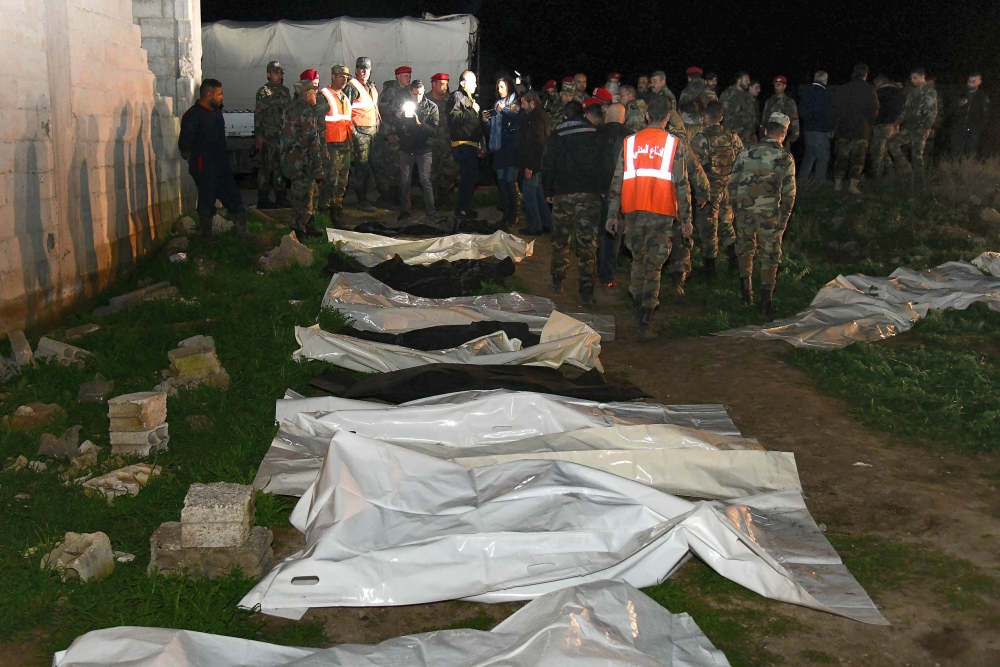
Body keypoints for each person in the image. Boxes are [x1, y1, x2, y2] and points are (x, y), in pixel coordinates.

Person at [605, 96, 693, 342]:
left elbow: (617, 181)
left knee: (638, 260)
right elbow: (682, 185)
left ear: (646, 116)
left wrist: (612, 214)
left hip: (633, 211)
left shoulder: (630, 142)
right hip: (662, 212)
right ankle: (645, 319)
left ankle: (638, 306)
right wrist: (686, 219)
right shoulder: (675, 144)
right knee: (653, 266)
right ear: (667, 119)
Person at [730, 112, 796, 315]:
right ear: (783, 134)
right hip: (770, 214)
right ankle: (766, 303)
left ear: (766, 131)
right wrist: (783, 220)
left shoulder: (746, 152)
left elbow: (732, 184)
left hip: (745, 211)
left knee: (745, 250)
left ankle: (745, 294)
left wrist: (736, 209)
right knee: (770, 255)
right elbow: (789, 193)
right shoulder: (785, 158)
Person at [542, 101, 604, 306]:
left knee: (561, 241)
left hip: (564, 194)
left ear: (566, 116)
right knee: (588, 245)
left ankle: (557, 282)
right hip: (590, 196)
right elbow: (603, 163)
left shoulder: (558, 133)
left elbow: (548, 163)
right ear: (584, 114)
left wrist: (548, 190)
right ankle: (587, 292)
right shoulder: (595, 133)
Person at [178, 79, 251, 239]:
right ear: (209, 95)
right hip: (204, 168)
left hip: (222, 167)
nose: (222, 97)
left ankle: (242, 233)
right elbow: (184, 145)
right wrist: (196, 162)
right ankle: (207, 236)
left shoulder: (216, 113)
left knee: (234, 198)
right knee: (206, 201)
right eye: (219, 94)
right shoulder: (193, 116)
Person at [691, 101, 744, 276]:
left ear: (706, 117)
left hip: (709, 190)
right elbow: (741, 159)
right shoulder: (732, 137)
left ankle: (710, 269)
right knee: (727, 223)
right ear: (721, 118)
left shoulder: (700, 138)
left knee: (708, 229)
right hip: (728, 188)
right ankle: (734, 261)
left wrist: (698, 191)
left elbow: (692, 166)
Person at [279, 74, 325, 238]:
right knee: (304, 198)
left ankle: (308, 226)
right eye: (314, 91)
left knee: (302, 194)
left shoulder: (291, 108)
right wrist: (318, 166)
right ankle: (298, 232)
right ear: (307, 94)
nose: (317, 94)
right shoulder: (305, 111)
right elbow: (311, 142)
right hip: (302, 162)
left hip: (290, 160)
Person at [829, 63, 879, 195]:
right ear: (865, 75)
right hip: (861, 130)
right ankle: (852, 186)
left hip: (843, 129)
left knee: (841, 158)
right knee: (858, 159)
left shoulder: (843, 89)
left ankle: (838, 185)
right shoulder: (870, 89)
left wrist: (832, 127)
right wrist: (871, 124)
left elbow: (834, 110)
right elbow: (874, 109)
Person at [596, 102, 630, 287]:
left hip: (597, 191)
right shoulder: (631, 136)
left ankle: (592, 268)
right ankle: (607, 275)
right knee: (613, 234)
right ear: (623, 118)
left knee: (597, 232)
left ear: (607, 116)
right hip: (620, 192)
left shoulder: (596, 133)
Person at [315, 64, 353, 226]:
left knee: (342, 182)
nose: (344, 80)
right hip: (331, 147)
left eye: (346, 77)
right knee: (330, 181)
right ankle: (324, 213)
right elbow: (318, 125)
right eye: (340, 76)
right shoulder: (324, 96)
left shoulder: (344, 96)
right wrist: (322, 149)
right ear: (333, 76)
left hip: (345, 145)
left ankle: (337, 210)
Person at [482, 74, 522, 228]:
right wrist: (486, 120)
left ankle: (514, 215)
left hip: (511, 149)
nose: (499, 90)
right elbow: (491, 128)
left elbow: (518, 118)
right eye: (498, 87)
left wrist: (503, 110)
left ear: (509, 87)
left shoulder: (514, 104)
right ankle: (506, 215)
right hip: (499, 150)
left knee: (511, 183)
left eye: (502, 87)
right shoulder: (497, 105)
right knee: (502, 184)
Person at [396, 80, 439, 220]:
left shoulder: (432, 107)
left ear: (424, 91)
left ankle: (431, 212)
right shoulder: (404, 107)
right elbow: (398, 130)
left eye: (420, 94)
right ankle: (405, 211)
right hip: (406, 149)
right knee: (405, 181)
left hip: (424, 150)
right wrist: (400, 119)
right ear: (410, 92)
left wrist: (419, 124)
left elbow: (434, 131)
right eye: (414, 94)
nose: (417, 97)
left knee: (425, 180)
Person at [887, 67, 938, 184]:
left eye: (915, 78)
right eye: (911, 78)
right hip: (909, 126)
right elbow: (906, 109)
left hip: (920, 128)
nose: (912, 80)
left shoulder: (929, 91)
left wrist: (926, 127)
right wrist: (898, 121)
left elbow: (932, 111)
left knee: (917, 155)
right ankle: (906, 168)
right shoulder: (912, 91)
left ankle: (919, 183)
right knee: (892, 143)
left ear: (922, 77)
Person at [344, 56, 381, 211]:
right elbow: (346, 113)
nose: (364, 71)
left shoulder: (371, 86)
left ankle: (381, 197)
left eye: (366, 68)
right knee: (362, 169)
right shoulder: (352, 87)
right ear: (356, 70)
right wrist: (354, 135)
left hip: (373, 133)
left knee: (377, 166)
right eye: (361, 68)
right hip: (360, 134)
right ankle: (362, 201)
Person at [373, 65, 413, 207]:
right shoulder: (390, 91)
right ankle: (388, 197)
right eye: (405, 75)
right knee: (392, 166)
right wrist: (390, 131)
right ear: (398, 77)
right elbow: (382, 109)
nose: (408, 77)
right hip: (392, 133)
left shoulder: (408, 91)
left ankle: (400, 196)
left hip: (404, 133)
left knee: (402, 165)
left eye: (409, 75)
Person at [253, 61, 291, 209]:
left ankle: (281, 197)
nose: (279, 75)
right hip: (268, 135)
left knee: (280, 167)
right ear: (269, 74)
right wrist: (258, 135)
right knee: (266, 167)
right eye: (276, 73)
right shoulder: (263, 92)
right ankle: (263, 199)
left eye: (280, 73)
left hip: (282, 135)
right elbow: (258, 114)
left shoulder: (285, 91)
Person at [515, 90, 552, 235]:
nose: (522, 106)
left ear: (532, 103)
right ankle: (547, 223)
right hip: (536, 164)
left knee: (529, 195)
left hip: (532, 164)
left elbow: (536, 143)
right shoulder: (539, 116)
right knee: (538, 194)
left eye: (524, 102)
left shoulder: (535, 118)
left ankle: (535, 226)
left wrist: (530, 166)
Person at [449, 70, 483, 219]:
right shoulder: (458, 96)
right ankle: (462, 209)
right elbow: (454, 117)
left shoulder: (468, 98)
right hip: (463, 144)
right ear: (463, 83)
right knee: (468, 177)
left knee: (470, 177)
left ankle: (464, 207)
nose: (476, 85)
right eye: (473, 81)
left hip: (470, 143)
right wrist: (472, 110)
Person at [428, 73, 460, 206]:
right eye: (442, 84)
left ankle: (445, 194)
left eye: (446, 84)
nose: (445, 87)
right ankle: (433, 200)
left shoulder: (451, 100)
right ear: (434, 84)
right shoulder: (425, 100)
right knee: (432, 173)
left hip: (448, 143)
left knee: (451, 170)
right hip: (431, 144)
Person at [798, 70, 832, 187]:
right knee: (823, 157)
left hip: (808, 129)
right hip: (820, 129)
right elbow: (828, 113)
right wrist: (829, 127)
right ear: (825, 80)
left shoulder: (806, 92)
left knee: (809, 156)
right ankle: (819, 182)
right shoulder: (825, 93)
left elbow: (801, 111)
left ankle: (801, 181)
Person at [870, 75, 905, 177]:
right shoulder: (899, 92)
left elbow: (875, 109)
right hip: (895, 126)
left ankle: (877, 177)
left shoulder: (879, 93)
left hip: (882, 126)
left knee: (877, 153)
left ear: (879, 83)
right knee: (888, 150)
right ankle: (895, 171)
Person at [951, 73, 990, 159]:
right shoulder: (960, 93)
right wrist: (958, 105)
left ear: (979, 82)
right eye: (969, 81)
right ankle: (954, 170)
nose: (970, 83)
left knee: (970, 153)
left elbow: (986, 115)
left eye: (973, 81)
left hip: (973, 130)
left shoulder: (982, 97)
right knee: (955, 152)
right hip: (959, 128)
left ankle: (968, 170)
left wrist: (978, 128)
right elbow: (951, 110)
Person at [760, 76, 800, 149]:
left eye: (779, 85)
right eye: (775, 85)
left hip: (784, 137)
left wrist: (793, 137)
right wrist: (762, 135)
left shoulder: (789, 102)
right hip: (769, 137)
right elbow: (764, 120)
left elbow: (795, 120)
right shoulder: (769, 102)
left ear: (784, 86)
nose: (776, 87)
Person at [720, 72, 758, 146]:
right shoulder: (728, 95)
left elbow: (752, 115)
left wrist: (753, 133)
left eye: (749, 80)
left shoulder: (748, 96)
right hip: (733, 138)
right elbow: (723, 116)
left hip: (748, 139)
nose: (749, 82)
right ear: (739, 80)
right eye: (746, 80)